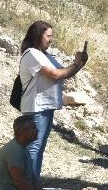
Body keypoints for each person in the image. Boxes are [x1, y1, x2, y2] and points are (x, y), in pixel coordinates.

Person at [18, 21, 88, 179]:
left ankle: (33, 184)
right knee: (34, 148)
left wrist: (79, 65)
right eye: (48, 36)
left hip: (45, 108)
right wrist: (77, 64)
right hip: (36, 108)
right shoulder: (31, 54)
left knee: (38, 147)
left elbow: (62, 73)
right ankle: (29, 186)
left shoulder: (43, 55)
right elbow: (55, 74)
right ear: (38, 35)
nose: (51, 39)